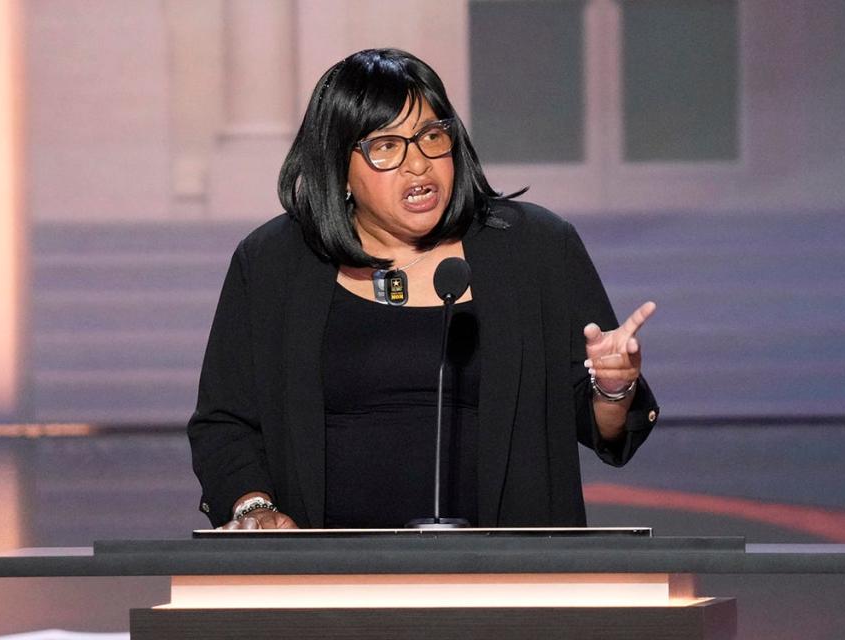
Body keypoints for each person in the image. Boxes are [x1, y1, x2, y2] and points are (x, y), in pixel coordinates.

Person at [188, 48, 659, 530]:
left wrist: (614, 388)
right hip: (327, 581)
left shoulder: (535, 249)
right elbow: (225, 422)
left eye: (432, 136)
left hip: (506, 579)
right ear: (339, 167)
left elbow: (604, 427)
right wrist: (253, 506)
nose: (418, 165)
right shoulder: (275, 262)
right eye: (387, 146)